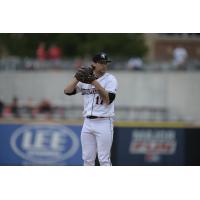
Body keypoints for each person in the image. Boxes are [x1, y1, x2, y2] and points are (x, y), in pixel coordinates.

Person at [64, 52, 118, 166]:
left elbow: (108, 100)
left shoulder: (110, 79)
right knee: (87, 159)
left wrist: (93, 81)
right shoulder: (84, 78)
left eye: (106, 63)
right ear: (93, 64)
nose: (104, 65)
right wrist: (77, 77)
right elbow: (67, 91)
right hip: (87, 122)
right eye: (101, 63)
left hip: (103, 121)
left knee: (104, 159)